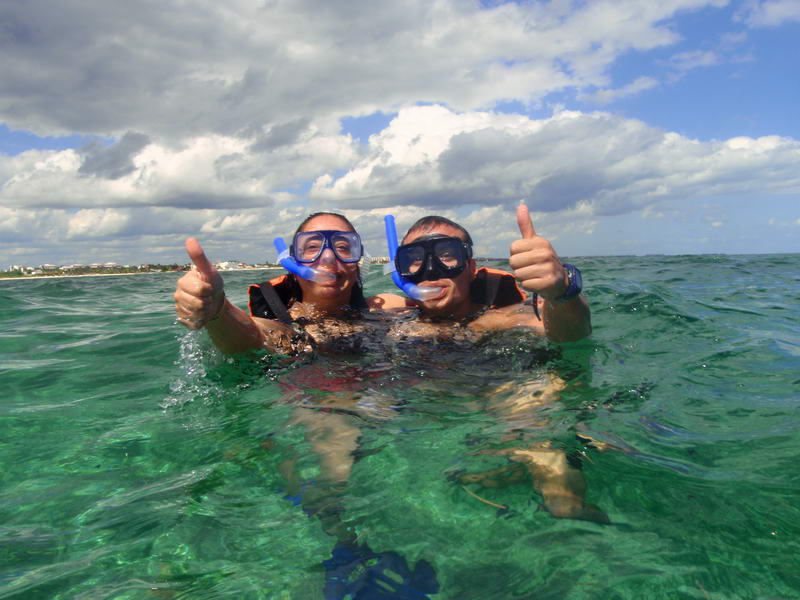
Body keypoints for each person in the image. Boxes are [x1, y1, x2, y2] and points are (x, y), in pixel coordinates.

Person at [377, 205, 607, 523]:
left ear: (470, 267)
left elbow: (567, 334)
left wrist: (562, 291)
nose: (430, 269)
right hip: (436, 407)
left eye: (447, 254)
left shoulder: (502, 316)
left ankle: (567, 511)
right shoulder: (393, 317)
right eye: (414, 259)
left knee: (533, 419)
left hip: (509, 384)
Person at [174, 211, 382, 355]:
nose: (328, 258)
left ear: (357, 262)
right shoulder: (287, 327)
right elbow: (254, 335)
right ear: (292, 263)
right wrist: (218, 309)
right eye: (312, 247)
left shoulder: (387, 309)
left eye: (344, 247)